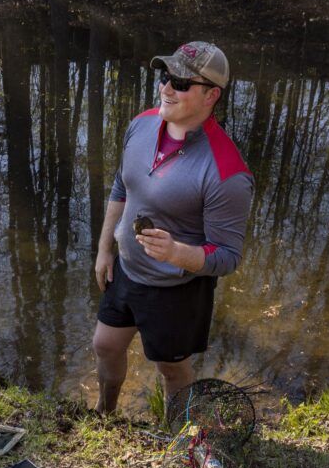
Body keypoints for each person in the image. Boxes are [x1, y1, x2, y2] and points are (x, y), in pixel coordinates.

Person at [92, 41, 254, 413]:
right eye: (166, 77)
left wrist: (177, 252)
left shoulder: (227, 172)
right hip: (127, 270)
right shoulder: (142, 124)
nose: (166, 88)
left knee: (171, 368)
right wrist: (104, 249)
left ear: (212, 95)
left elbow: (228, 256)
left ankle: (176, 433)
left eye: (181, 83)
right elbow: (121, 187)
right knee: (105, 344)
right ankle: (105, 413)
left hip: (176, 290)